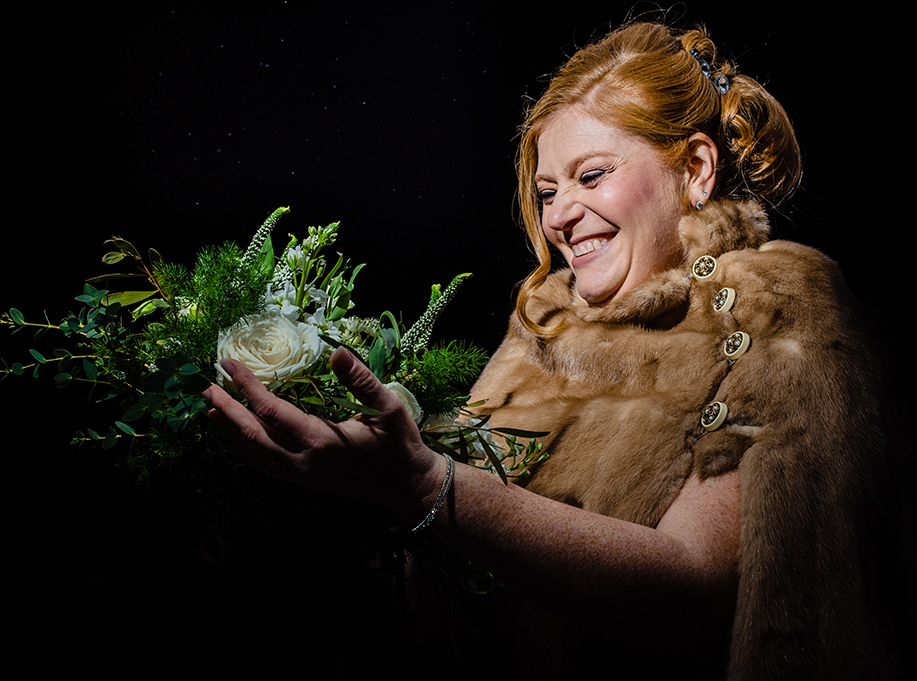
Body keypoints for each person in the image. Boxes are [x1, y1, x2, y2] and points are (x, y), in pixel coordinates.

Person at [203, 21, 913, 680]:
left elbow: (694, 593)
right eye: (546, 189)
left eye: (591, 174)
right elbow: (460, 552)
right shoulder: (544, 322)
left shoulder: (778, 311)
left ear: (695, 168)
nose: (559, 214)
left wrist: (423, 484)